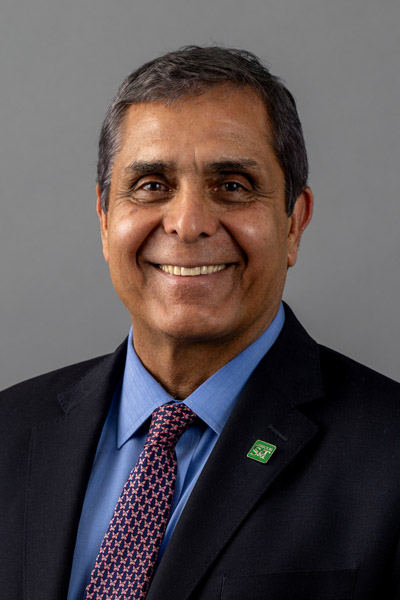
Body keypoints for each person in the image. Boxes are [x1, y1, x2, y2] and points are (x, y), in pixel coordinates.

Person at [1, 46, 399, 600]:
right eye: (151, 186)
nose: (188, 225)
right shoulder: (9, 430)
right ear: (104, 218)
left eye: (232, 185)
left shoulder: (389, 457)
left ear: (294, 223)